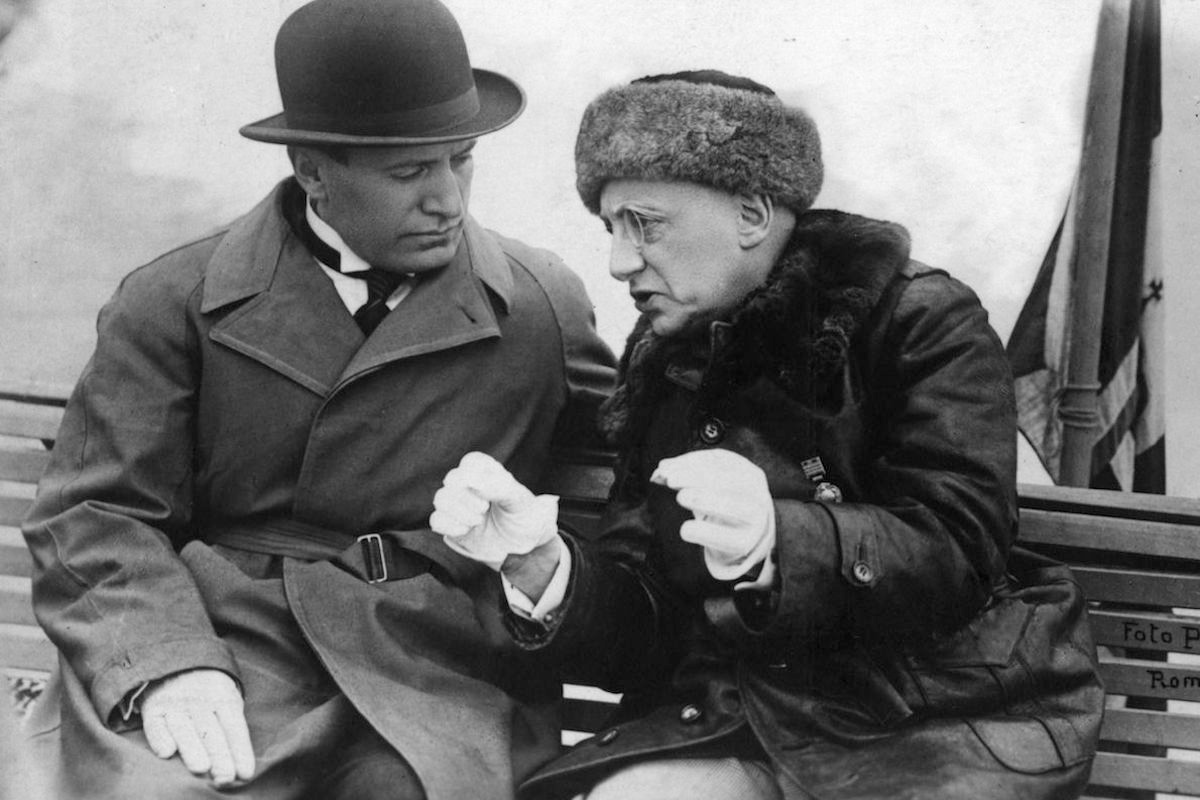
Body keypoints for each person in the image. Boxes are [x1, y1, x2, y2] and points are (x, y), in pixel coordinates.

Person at [431, 70, 1104, 799]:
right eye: (610, 229)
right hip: (741, 722)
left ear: (752, 213)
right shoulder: (664, 358)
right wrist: (546, 569)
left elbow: (958, 551)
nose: (620, 261)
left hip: (935, 726)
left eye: (646, 224)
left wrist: (779, 541)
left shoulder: (918, 319)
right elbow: (647, 633)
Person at [20, 1, 615, 798]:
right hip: (223, 641)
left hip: (435, 669)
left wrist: (537, 569)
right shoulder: (176, 301)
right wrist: (166, 662)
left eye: (461, 160)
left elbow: (599, 496)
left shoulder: (541, 307)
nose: (449, 200)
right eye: (410, 173)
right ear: (312, 172)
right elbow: (96, 513)